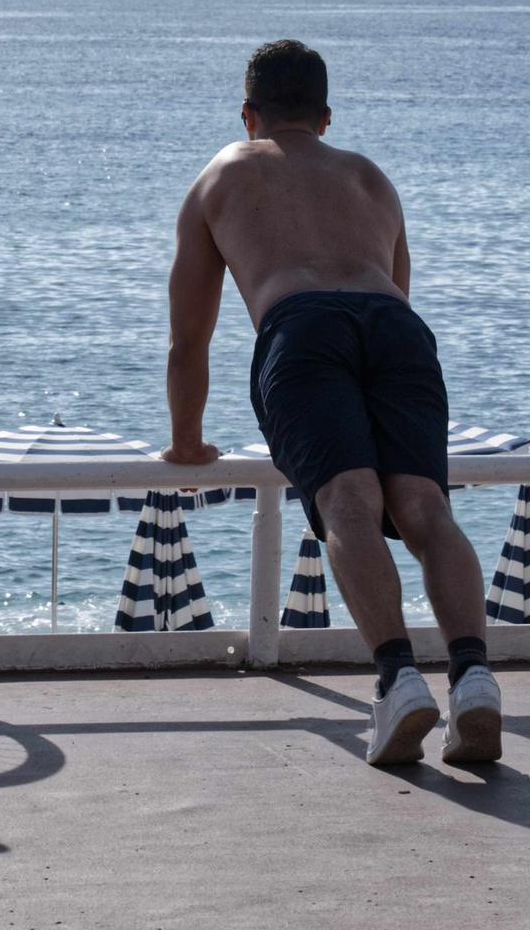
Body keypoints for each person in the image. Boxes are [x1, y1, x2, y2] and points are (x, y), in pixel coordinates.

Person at [160, 39, 501, 766]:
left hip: (301, 324)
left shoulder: (221, 174)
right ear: (325, 116)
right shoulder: (369, 178)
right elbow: (396, 295)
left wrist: (186, 443)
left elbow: (188, 340)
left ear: (249, 114)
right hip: (396, 328)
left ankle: (397, 679)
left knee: (347, 502)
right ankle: (473, 679)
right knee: (424, 509)